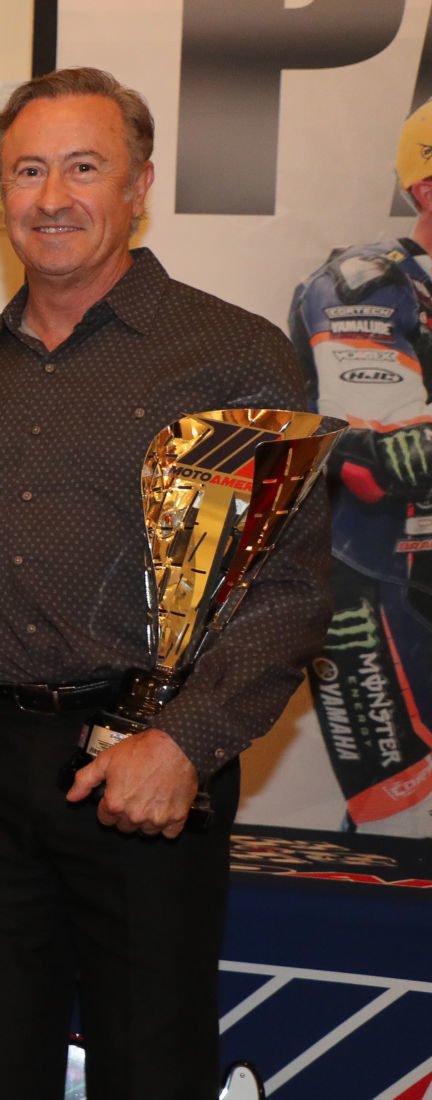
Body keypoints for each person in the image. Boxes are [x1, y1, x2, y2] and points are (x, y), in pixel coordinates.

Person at [0, 68, 330, 1100]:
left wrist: (187, 740)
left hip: (146, 757)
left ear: (139, 182)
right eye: (28, 171)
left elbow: (290, 587)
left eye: (82, 168)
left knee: (152, 1061)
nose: (52, 197)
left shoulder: (231, 354)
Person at [286, 100, 432, 837]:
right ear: (427, 182)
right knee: (408, 839)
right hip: (383, 604)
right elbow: (383, 460)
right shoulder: (364, 284)